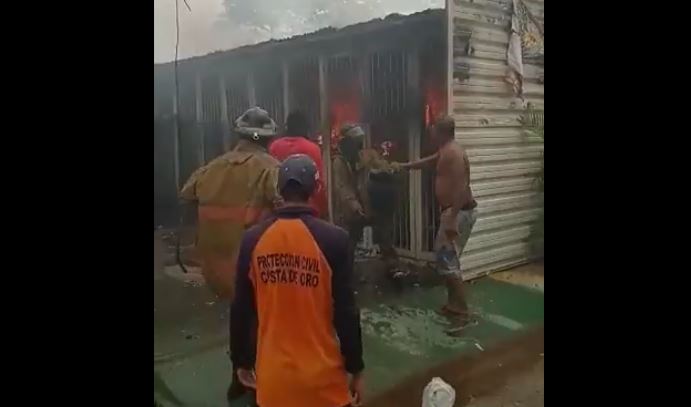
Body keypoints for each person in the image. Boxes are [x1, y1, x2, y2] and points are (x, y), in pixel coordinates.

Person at [231, 154, 365, 407]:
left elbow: (241, 309)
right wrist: (356, 368)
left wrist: (241, 361)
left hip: (273, 385)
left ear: (279, 189)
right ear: (315, 189)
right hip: (324, 386)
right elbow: (346, 313)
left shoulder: (253, 240)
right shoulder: (335, 240)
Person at [178, 106, 282, 400]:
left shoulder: (211, 167)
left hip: (217, 266)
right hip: (255, 264)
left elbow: (186, 194)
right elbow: (287, 204)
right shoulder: (271, 167)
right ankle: (255, 379)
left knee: (240, 316)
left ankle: (240, 375)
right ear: (267, 138)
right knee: (262, 323)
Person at [401, 116, 477, 326]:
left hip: (456, 213)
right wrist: (404, 166)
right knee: (446, 259)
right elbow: (429, 161)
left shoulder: (453, 153)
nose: (431, 133)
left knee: (447, 261)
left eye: (433, 130)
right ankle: (453, 304)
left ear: (440, 132)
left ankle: (461, 310)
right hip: (453, 212)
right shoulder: (446, 150)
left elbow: (463, 187)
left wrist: (452, 217)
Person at [332, 123, 401, 275]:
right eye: (356, 141)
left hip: (372, 205)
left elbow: (382, 166)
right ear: (347, 142)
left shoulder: (367, 155)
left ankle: (394, 271)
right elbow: (342, 186)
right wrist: (353, 204)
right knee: (349, 244)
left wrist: (391, 168)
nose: (359, 145)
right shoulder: (339, 162)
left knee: (385, 239)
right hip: (353, 211)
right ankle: (345, 274)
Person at [268, 110, 328, 217]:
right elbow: (319, 184)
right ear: (306, 128)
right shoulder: (313, 149)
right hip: (308, 211)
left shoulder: (274, 147)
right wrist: (323, 212)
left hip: (280, 211)